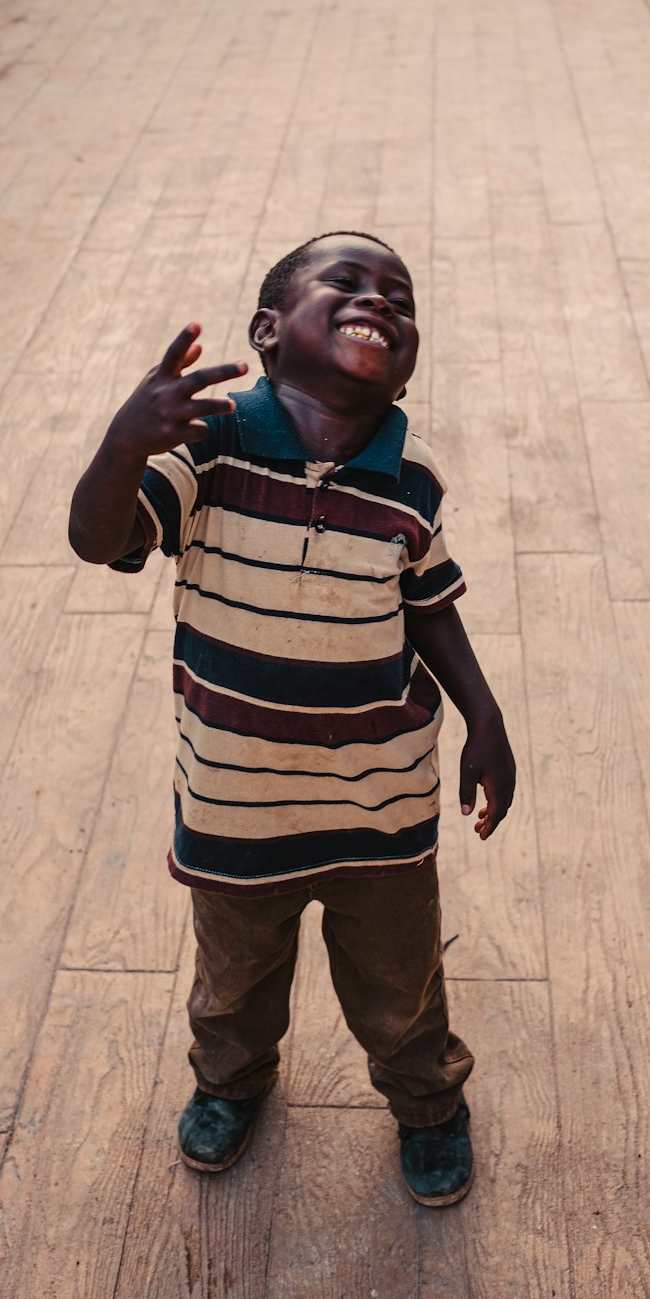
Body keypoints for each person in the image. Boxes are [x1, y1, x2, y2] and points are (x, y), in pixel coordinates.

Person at [68, 231, 516, 1206]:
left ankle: (428, 1102)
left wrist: (485, 716)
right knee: (232, 982)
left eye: (400, 295)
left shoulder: (412, 478)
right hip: (238, 802)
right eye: (347, 282)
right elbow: (101, 538)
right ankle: (230, 1081)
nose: (380, 299)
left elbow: (429, 601)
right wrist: (121, 443)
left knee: (400, 990)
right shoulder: (208, 446)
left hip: (379, 805)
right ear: (268, 331)